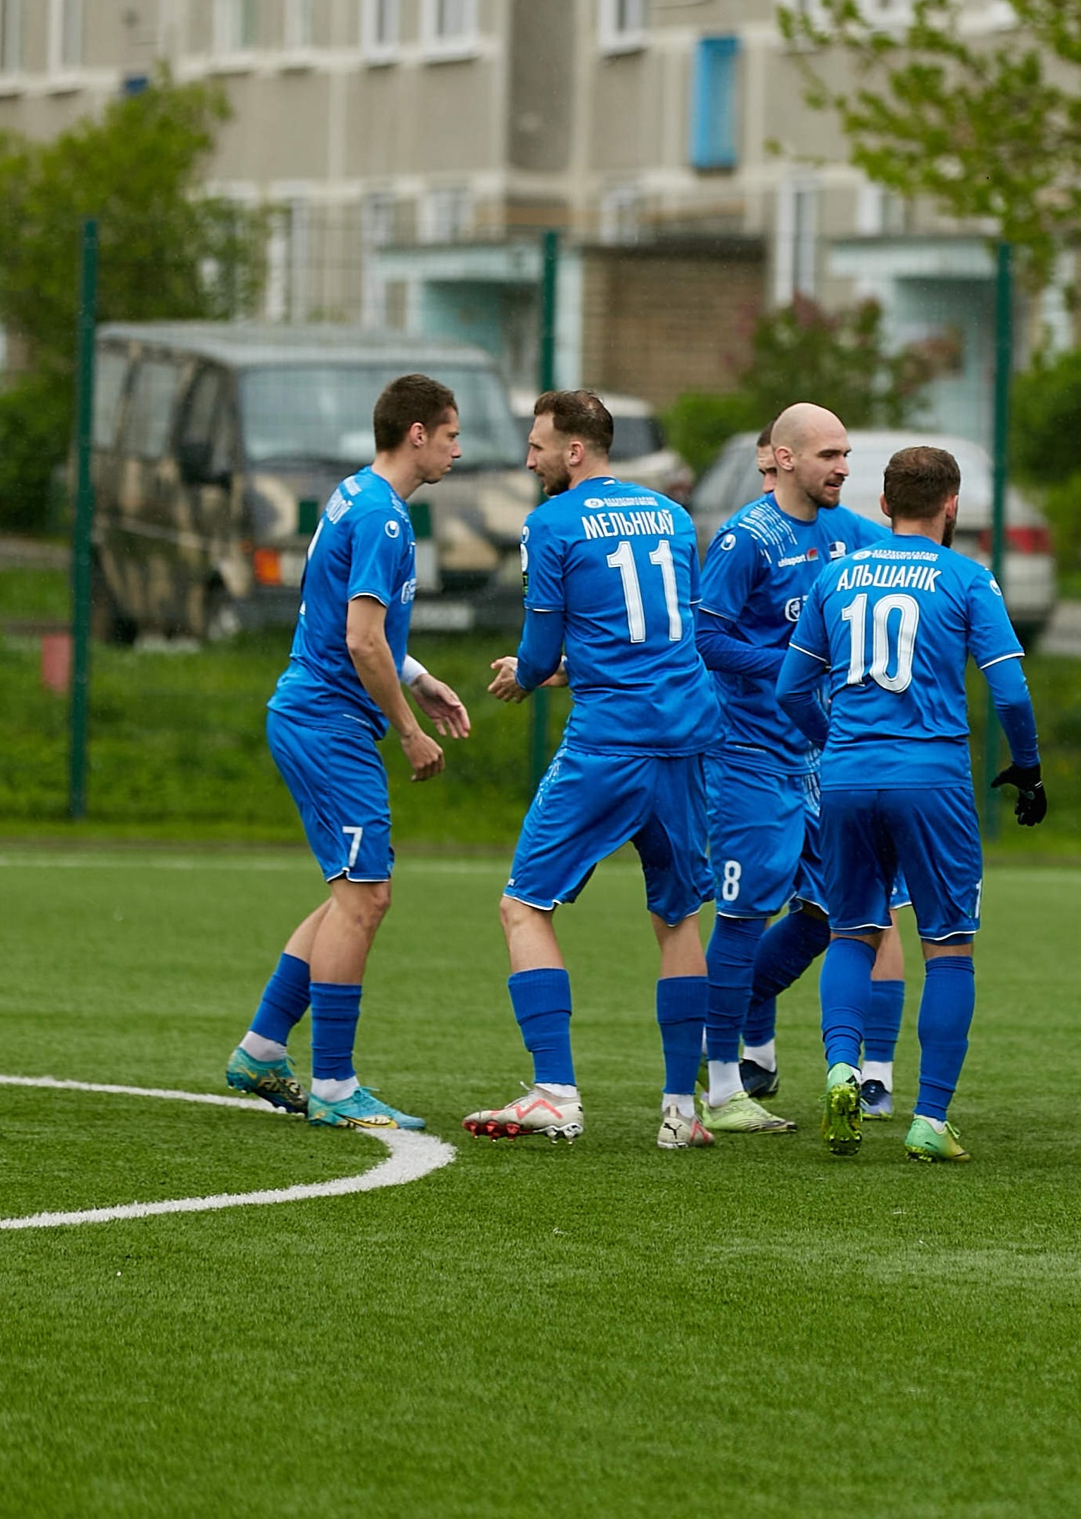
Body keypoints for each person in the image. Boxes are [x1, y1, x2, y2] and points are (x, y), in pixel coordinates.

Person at [464, 390, 726, 1150]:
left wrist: (530, 671)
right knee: (678, 917)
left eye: (538, 444)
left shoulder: (550, 522)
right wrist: (571, 667)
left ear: (575, 450)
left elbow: (543, 653)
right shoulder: (673, 519)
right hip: (685, 734)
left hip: (611, 743)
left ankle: (555, 1093)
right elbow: (663, 635)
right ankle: (682, 1111)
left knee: (524, 905)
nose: (529, 458)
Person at [776, 445, 1047, 1162]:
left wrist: (836, 743)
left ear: (884, 504)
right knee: (948, 948)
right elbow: (1012, 691)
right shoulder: (966, 578)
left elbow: (790, 691)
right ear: (951, 505)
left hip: (845, 777)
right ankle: (929, 1118)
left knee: (852, 932)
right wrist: (1027, 766)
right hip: (931, 780)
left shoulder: (837, 575)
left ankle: (843, 1069)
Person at [226, 375, 471, 1132]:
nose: (461, 448)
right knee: (366, 898)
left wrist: (421, 679)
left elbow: (367, 632)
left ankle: (264, 1047)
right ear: (418, 434)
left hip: (317, 715)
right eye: (453, 433)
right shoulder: (385, 521)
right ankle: (334, 1086)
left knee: (350, 894)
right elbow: (360, 641)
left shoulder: (358, 497)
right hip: (329, 724)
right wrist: (408, 728)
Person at [689, 404, 893, 1138]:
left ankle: (739, 1008)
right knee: (742, 915)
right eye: (829, 455)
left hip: (820, 754)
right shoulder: (747, 538)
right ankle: (719, 1087)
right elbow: (706, 638)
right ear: (780, 458)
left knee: (829, 914)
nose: (842, 468)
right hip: (749, 753)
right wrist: (792, 662)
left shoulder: (847, 531)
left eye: (846, 455)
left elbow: (909, 552)